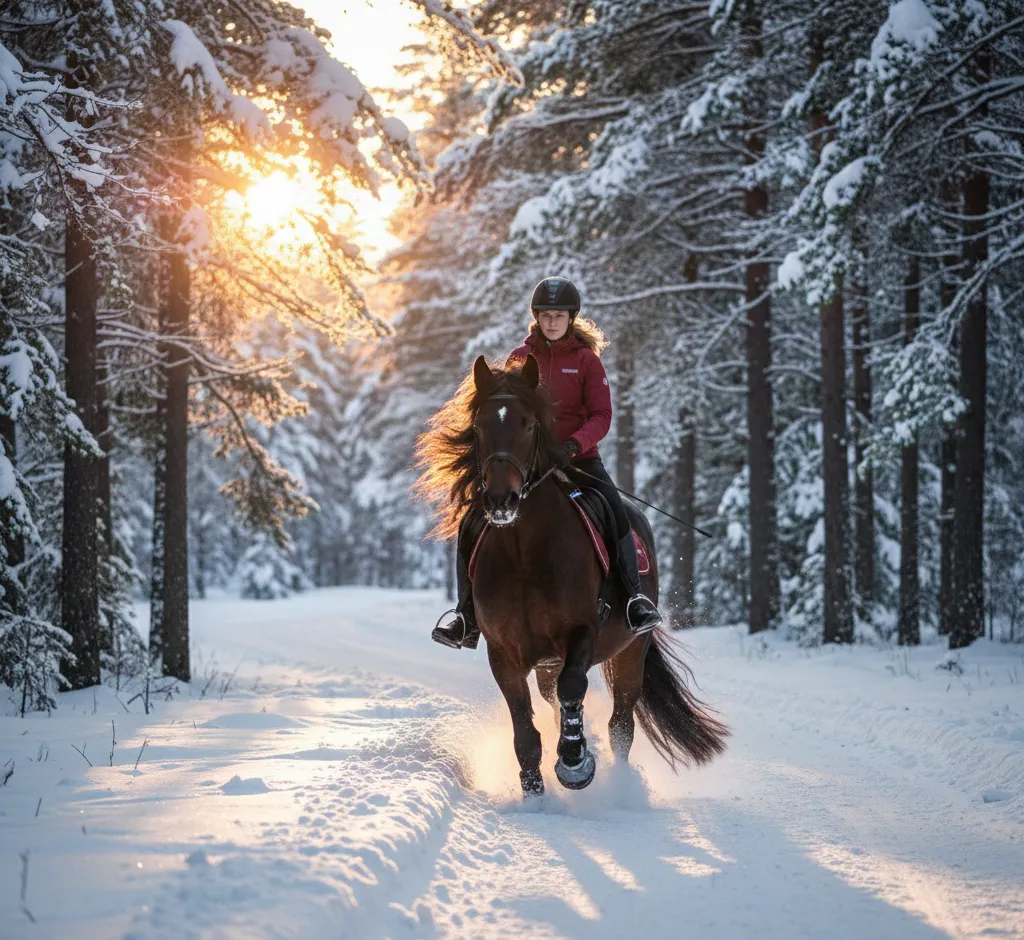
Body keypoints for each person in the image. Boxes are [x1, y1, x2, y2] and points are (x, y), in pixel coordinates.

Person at [432, 276, 663, 650]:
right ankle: (466, 615)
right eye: (545, 315)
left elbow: (602, 416)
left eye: (559, 315)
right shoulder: (520, 359)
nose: (552, 321)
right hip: (528, 467)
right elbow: (507, 415)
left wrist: (573, 445)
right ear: (535, 318)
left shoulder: (587, 362)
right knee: (473, 520)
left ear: (571, 319)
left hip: (579, 461)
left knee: (617, 513)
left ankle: (634, 600)